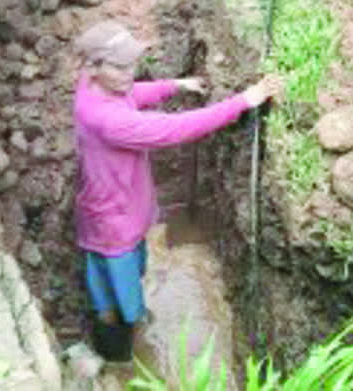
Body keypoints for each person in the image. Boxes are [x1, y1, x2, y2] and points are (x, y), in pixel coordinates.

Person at [72, 20, 281, 363]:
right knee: (121, 293)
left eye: (132, 64)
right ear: (93, 67)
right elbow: (175, 129)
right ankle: (122, 350)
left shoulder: (94, 87)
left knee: (115, 275)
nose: (130, 73)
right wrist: (242, 101)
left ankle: (118, 325)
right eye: (120, 66)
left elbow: (132, 94)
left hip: (113, 209)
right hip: (113, 221)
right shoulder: (108, 120)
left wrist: (174, 85)